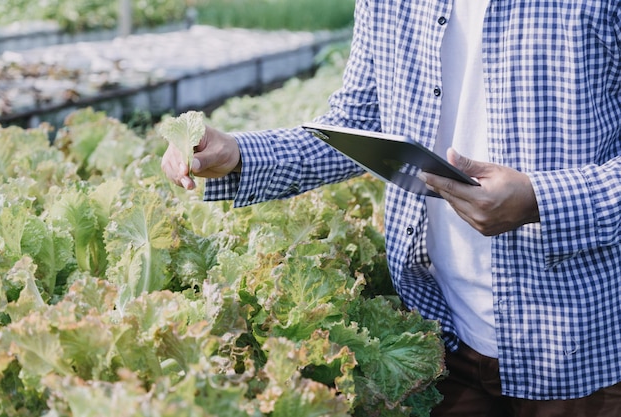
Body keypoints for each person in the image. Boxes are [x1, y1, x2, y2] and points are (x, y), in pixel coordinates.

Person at [161, 1, 621, 416]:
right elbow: (357, 124)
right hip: (439, 336)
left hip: (580, 342)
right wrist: (238, 153)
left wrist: (542, 200)